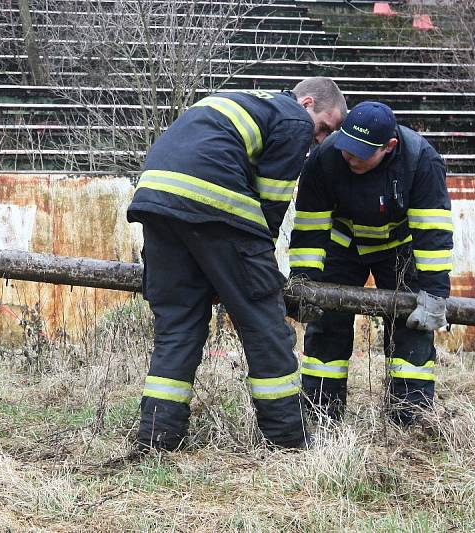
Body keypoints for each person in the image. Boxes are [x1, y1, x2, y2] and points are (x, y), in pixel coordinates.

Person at [127, 77, 348, 451]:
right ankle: (288, 438)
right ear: (307, 102)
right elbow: (271, 208)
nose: (321, 140)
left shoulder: (244, 101)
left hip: (156, 199)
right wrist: (253, 274)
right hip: (214, 201)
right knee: (264, 322)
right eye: (324, 127)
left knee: (178, 323)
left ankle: (157, 436)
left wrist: (214, 272)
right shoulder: (294, 118)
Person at [288, 101, 453, 425]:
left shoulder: (420, 161)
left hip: (398, 248)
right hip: (343, 243)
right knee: (327, 323)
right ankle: (321, 413)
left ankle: (411, 417)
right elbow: (309, 225)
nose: (350, 158)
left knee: (411, 327)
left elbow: (432, 231)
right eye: (347, 148)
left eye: (361, 153)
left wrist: (434, 292)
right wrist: (304, 284)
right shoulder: (325, 157)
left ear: (389, 146)